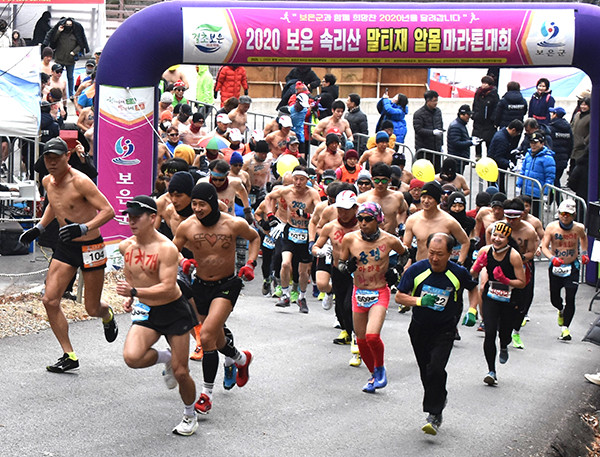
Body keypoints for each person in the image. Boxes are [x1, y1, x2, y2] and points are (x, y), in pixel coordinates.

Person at [18, 138, 117, 372]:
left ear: (67, 156)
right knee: (49, 300)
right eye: (48, 158)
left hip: (91, 246)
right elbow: (56, 203)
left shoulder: (81, 182)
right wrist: (39, 228)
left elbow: (108, 211)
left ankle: (107, 314)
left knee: (91, 308)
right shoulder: (47, 180)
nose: (51, 162)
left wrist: (85, 227)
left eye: (56, 157)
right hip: (66, 247)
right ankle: (69, 355)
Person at [116, 195, 199, 436]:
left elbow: (167, 285)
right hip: (148, 310)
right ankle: (166, 358)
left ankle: (189, 415)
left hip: (173, 311)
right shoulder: (126, 246)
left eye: (136, 216)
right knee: (132, 357)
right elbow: (132, 272)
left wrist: (134, 291)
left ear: (152, 218)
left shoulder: (166, 248)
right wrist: (130, 297)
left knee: (182, 371)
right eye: (128, 216)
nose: (131, 221)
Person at [173, 182, 258, 414]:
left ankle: (206, 395)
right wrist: (183, 261)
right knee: (217, 341)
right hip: (200, 285)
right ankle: (240, 359)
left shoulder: (233, 223)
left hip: (227, 285)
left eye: (202, 204)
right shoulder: (186, 226)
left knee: (207, 336)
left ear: (212, 202)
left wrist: (250, 263)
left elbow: (254, 237)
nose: (197, 209)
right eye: (194, 204)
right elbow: (173, 249)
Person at [395, 232, 479, 435]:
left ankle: (434, 414)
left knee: (435, 369)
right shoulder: (417, 270)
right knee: (426, 371)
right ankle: (439, 397)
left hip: (445, 329)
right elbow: (399, 296)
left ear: (450, 253)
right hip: (419, 328)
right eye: (431, 253)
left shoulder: (457, 272)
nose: (434, 258)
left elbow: (473, 289)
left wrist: (472, 311)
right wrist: (419, 301)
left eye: (440, 254)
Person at [338, 202, 407, 392]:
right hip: (359, 292)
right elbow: (341, 264)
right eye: (359, 219)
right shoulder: (349, 239)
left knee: (372, 336)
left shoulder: (389, 240)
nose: (362, 223)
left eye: (367, 219)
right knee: (360, 340)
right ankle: (373, 375)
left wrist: (397, 271)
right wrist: (348, 268)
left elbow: (405, 253)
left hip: (379, 292)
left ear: (377, 220)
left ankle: (380, 369)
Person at [471, 221, 526, 386]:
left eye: (501, 236)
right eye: (494, 235)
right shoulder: (485, 251)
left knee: (505, 332)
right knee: (489, 333)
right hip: (491, 296)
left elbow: (522, 282)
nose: (496, 239)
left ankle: (504, 345)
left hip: (510, 298)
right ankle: (491, 371)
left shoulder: (514, 255)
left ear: (508, 239)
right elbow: (472, 274)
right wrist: (478, 266)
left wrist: (506, 280)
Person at [267, 166, 322, 312]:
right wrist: (270, 215)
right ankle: (285, 294)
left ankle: (301, 297)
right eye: (295, 179)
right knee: (285, 264)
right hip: (290, 232)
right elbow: (269, 197)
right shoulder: (286, 191)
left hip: (306, 234)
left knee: (304, 271)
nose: (298, 182)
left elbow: (321, 210)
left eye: (301, 180)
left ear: (307, 180)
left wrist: (307, 214)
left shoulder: (312, 193)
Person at [541, 199, 589, 341]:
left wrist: (584, 253)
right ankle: (560, 309)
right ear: (558, 214)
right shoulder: (551, 227)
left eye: (568, 214)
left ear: (573, 215)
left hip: (572, 267)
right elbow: (544, 246)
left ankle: (565, 328)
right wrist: (551, 258)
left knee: (571, 297)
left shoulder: (578, 228)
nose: (565, 216)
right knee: (554, 298)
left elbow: (583, 238)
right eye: (562, 213)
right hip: (556, 267)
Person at [501, 199, 539, 349]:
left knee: (523, 301)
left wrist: (518, 259)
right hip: (503, 267)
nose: (510, 221)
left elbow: (531, 252)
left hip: (524, 268)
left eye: (514, 217)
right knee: (501, 299)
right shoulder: (499, 228)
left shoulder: (529, 231)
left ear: (521, 215)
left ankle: (516, 331)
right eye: (507, 217)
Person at [404, 181, 470, 264]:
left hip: (442, 268)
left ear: (437, 200)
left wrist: (460, 263)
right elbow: (406, 246)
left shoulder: (448, 221)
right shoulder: (412, 220)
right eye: (424, 197)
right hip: (420, 266)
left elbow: (465, 241)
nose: (426, 201)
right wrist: (407, 264)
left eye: (430, 198)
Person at [43, 17, 89, 99]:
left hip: (70, 59)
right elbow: (53, 40)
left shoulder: (75, 34)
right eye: (67, 24)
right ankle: (54, 91)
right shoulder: (60, 33)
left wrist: (74, 52)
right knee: (56, 76)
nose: (68, 26)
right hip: (59, 58)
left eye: (70, 25)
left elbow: (80, 44)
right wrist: (58, 31)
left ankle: (71, 94)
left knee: (70, 77)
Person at [357, 162, 407, 235]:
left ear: (389, 180)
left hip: (390, 238)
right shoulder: (363, 198)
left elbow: (403, 211)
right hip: (369, 239)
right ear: (372, 180)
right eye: (377, 180)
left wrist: (400, 225)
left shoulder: (397, 197)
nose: (380, 184)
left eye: (384, 180)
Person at [515, 131, 556, 218]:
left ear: (542, 143)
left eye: (535, 143)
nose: (533, 145)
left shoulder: (547, 158)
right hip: (525, 192)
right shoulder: (528, 155)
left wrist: (545, 193)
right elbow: (523, 171)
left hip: (537, 194)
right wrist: (518, 185)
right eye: (531, 143)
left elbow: (550, 178)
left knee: (536, 217)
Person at [487, 119, 524, 193]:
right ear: (513, 130)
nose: (517, 135)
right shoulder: (502, 139)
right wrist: (508, 163)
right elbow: (498, 156)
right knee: (497, 191)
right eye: (518, 133)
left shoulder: (504, 135)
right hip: (495, 170)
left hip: (497, 169)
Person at [413, 90, 444, 171]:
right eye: (434, 101)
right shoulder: (419, 114)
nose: (436, 103)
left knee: (436, 171)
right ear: (428, 101)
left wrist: (441, 144)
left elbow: (440, 126)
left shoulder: (438, 112)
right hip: (424, 149)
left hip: (436, 149)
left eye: (437, 100)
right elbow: (418, 130)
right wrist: (432, 132)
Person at [471, 75, 499, 158]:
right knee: (477, 141)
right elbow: (475, 105)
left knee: (489, 142)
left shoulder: (494, 95)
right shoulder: (478, 93)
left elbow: (496, 108)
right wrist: (474, 115)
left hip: (488, 123)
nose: (484, 85)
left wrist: (493, 120)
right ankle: (478, 157)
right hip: (478, 121)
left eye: (486, 83)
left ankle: (489, 158)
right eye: (483, 83)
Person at [447, 104, 479, 173]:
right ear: (462, 115)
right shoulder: (456, 126)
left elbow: (462, 138)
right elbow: (456, 143)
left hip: (460, 158)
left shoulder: (461, 124)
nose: (469, 117)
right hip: (457, 159)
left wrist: (471, 139)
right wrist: (471, 142)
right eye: (468, 115)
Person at [547, 107, 573, 192]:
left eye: (552, 113)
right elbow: (571, 145)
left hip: (553, 160)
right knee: (556, 180)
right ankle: (550, 202)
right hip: (563, 159)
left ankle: (560, 202)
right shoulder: (568, 129)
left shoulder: (551, 128)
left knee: (555, 183)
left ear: (555, 115)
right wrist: (566, 158)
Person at [569, 96, 590, 174]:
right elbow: (572, 125)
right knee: (572, 165)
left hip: (582, 147)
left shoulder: (590, 117)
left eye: (585, 105)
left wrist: (584, 141)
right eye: (582, 104)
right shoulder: (577, 115)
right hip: (574, 145)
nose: (583, 107)